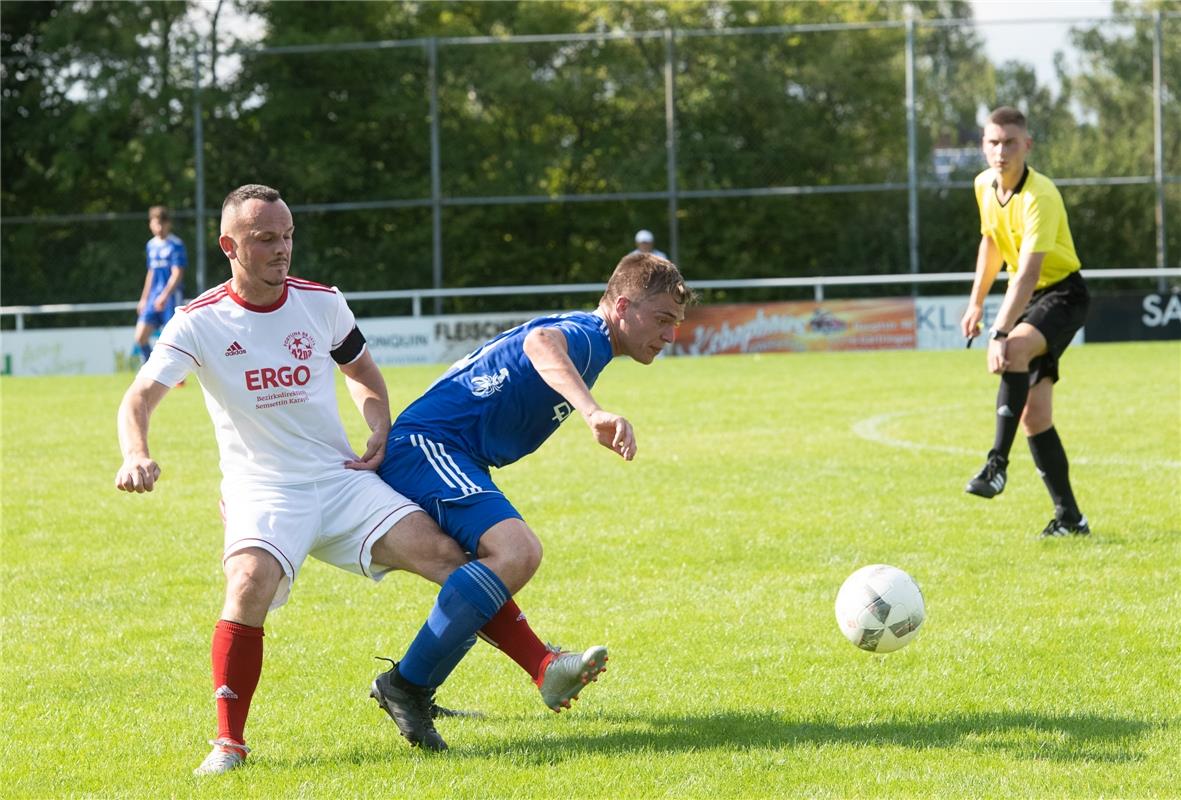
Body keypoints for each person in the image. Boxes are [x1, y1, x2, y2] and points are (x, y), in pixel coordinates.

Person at [115, 184, 482, 775]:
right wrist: (135, 453)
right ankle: (228, 744)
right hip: (262, 489)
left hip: (339, 479)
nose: (282, 249)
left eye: (287, 236)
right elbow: (139, 398)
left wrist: (378, 424)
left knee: (450, 558)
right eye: (266, 239)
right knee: (247, 584)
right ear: (229, 245)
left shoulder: (322, 301)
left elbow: (361, 369)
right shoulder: (198, 321)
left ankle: (530, 669)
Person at [371, 250, 694, 751]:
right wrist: (591, 413)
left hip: (448, 450)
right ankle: (409, 685)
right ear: (624, 305)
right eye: (663, 320)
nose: (671, 335)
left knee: (479, 571)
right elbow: (539, 342)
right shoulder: (588, 336)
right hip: (429, 445)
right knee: (517, 551)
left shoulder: (593, 341)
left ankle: (443, 682)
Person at [960, 106, 1090, 538]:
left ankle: (996, 464)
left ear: (1027, 145)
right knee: (1035, 417)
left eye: (1010, 142)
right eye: (993, 142)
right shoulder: (983, 185)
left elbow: (1031, 273)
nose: (1001, 151)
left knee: (1012, 350)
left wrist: (999, 332)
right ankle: (1071, 518)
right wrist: (976, 304)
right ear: (983, 145)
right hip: (1031, 298)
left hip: (1063, 294)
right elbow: (992, 245)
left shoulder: (1041, 196)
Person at [134, 205, 187, 364]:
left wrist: (164, 296)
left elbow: (177, 273)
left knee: (172, 341)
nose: (158, 228)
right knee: (140, 337)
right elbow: (151, 273)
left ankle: (178, 376)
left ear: (168, 224)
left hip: (171, 297)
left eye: (161, 224)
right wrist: (144, 299)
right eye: (155, 223)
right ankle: (150, 369)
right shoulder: (151, 245)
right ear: (150, 224)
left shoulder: (176, 244)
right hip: (153, 297)